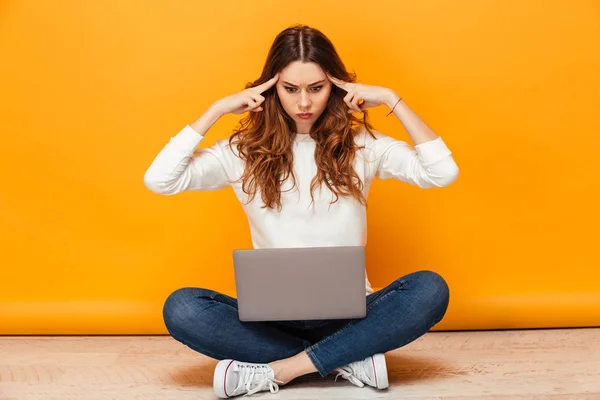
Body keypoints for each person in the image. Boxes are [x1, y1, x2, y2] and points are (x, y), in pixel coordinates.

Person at [144, 24, 458, 398]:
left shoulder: (363, 145)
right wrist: (215, 110)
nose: (304, 103)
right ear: (271, 88)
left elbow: (442, 172)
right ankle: (345, 358)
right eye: (290, 89)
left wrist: (393, 99)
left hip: (351, 315)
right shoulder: (240, 152)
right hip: (272, 320)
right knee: (182, 308)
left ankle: (285, 369)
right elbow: (159, 180)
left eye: (316, 88)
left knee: (430, 290)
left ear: (336, 86)